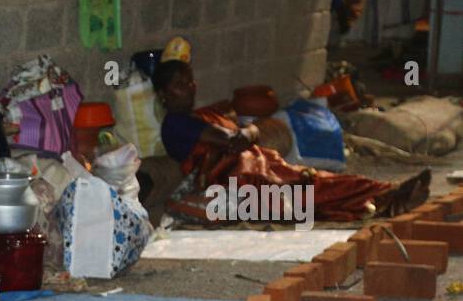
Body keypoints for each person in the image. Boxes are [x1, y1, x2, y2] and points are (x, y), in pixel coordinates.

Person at [153, 59, 428, 222]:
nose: (188, 88)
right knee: (311, 190)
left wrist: (250, 134)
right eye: (179, 84)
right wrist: (251, 132)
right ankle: (386, 197)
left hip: (258, 165)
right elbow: (230, 141)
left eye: (189, 81)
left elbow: (242, 136)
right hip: (237, 179)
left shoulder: (204, 114)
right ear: (163, 94)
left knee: (316, 181)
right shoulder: (176, 125)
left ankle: (388, 195)